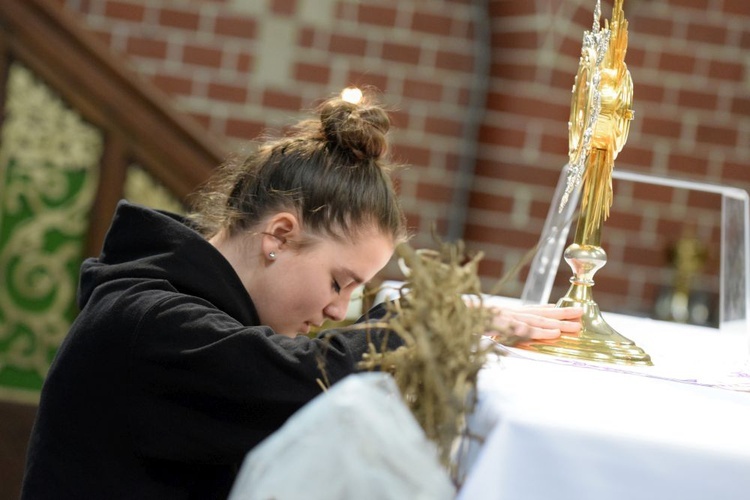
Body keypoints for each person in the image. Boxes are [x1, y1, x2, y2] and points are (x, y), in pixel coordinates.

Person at [21, 89, 582, 499]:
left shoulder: (181, 300)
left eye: (355, 291)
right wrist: (437, 319)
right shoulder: (146, 320)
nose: (339, 309)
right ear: (280, 236)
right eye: (339, 282)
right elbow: (297, 376)